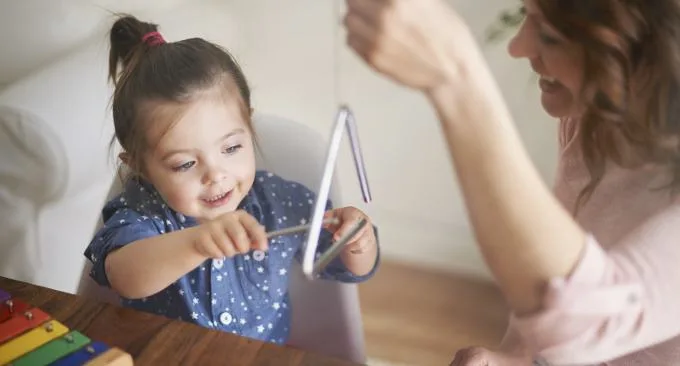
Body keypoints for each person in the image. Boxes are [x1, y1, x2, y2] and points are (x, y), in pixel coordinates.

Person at [344, 0, 680, 365]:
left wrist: (456, 78)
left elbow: (587, 319)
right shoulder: (595, 120)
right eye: (527, 17)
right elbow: (559, 284)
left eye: (549, 36)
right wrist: (513, 357)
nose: (518, 47)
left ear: (652, 53)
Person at [84, 14, 380, 345]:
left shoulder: (281, 203)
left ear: (249, 125)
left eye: (232, 147)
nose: (215, 175)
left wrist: (356, 241)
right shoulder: (141, 213)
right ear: (139, 167)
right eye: (185, 164)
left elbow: (347, 265)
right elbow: (125, 276)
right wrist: (197, 242)